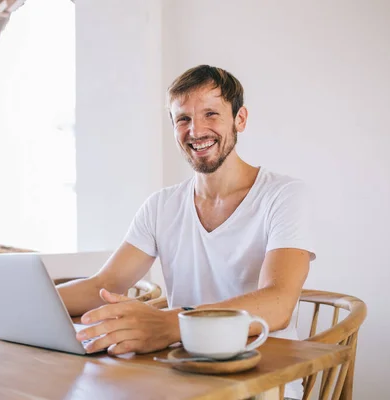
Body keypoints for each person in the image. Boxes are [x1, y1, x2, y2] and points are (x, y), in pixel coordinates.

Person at [57, 64, 315, 399]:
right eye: (183, 119)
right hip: (182, 375)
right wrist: (22, 302)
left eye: (211, 114)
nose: (196, 130)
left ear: (240, 119)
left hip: (264, 381)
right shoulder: (161, 205)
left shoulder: (284, 195)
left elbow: (278, 302)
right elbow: (103, 286)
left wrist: (167, 324)